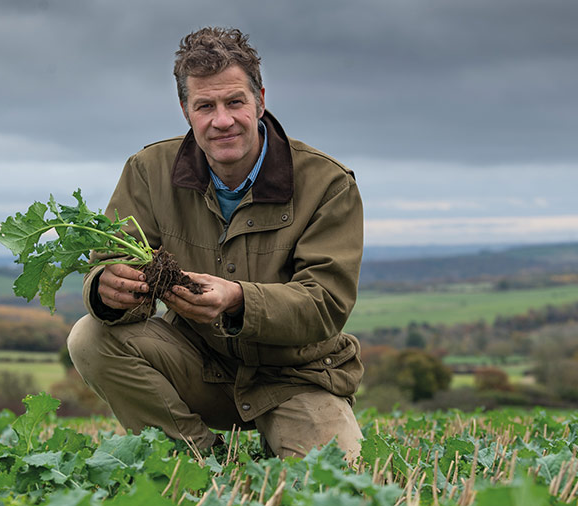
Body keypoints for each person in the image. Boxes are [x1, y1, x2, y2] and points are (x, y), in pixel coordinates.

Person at [66, 26, 364, 461]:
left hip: (296, 377)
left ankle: (282, 438)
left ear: (260, 100)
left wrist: (238, 299)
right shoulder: (148, 170)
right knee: (90, 336)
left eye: (235, 102)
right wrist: (107, 289)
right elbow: (112, 258)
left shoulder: (328, 183)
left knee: (337, 481)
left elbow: (326, 304)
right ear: (186, 110)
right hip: (197, 364)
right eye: (205, 106)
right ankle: (200, 461)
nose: (222, 120)